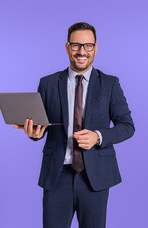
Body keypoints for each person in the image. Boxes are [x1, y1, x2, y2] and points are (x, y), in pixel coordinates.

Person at [14, 22, 135, 228]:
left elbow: (127, 126)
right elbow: (40, 127)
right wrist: (33, 133)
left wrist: (98, 136)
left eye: (88, 46)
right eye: (76, 45)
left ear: (95, 48)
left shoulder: (110, 84)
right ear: (67, 47)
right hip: (56, 176)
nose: (82, 51)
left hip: (95, 177)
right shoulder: (48, 83)